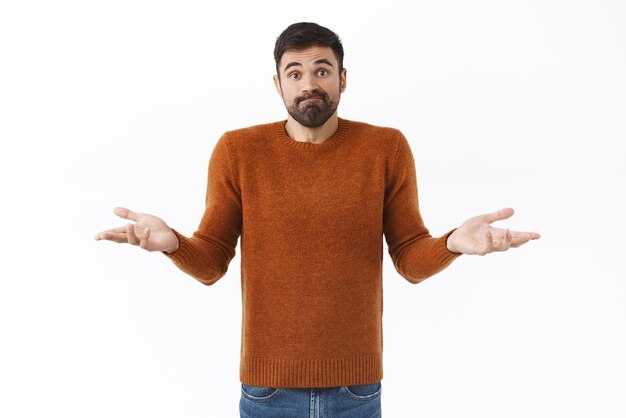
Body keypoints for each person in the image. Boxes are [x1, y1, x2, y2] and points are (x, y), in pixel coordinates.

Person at [95, 22, 540, 418]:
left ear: (343, 79)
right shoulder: (237, 151)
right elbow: (211, 262)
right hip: (267, 389)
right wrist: (172, 242)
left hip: (357, 389)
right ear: (278, 84)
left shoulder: (386, 148)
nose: (310, 84)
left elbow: (410, 258)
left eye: (322, 71)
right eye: (295, 73)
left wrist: (451, 244)